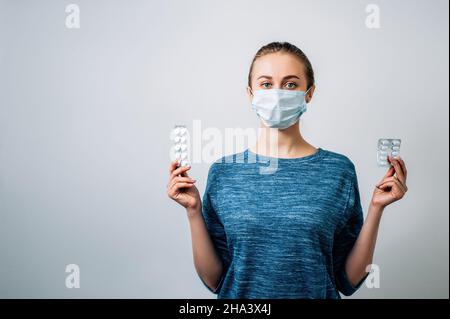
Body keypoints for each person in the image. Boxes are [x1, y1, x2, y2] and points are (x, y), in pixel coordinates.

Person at [167, 42, 408, 298]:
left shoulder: (339, 171)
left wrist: (376, 208)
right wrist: (193, 211)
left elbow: (347, 281)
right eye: (266, 84)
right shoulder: (224, 173)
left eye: (291, 84)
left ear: (310, 93)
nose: (277, 93)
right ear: (250, 93)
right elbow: (215, 281)